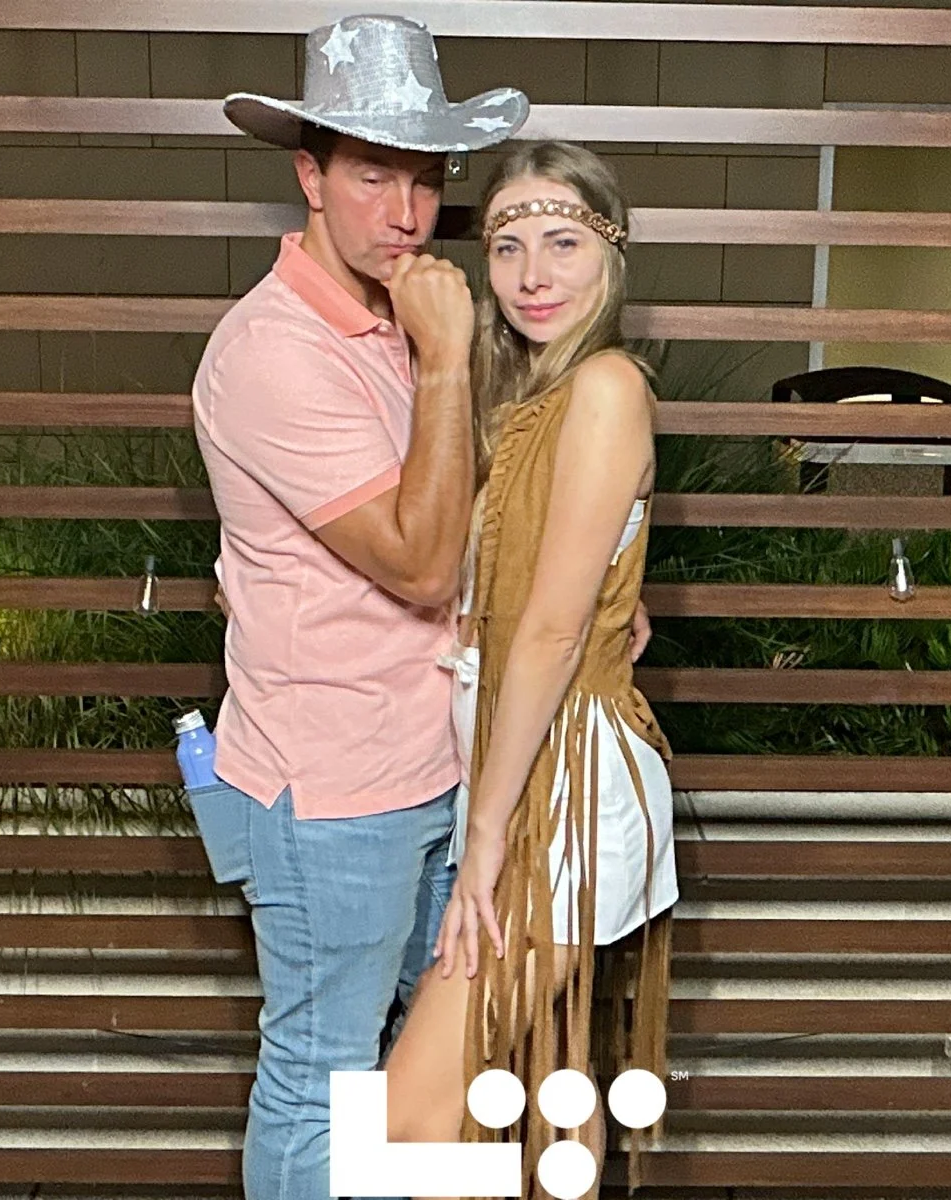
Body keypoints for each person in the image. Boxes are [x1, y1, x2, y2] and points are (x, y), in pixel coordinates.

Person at [184, 16, 529, 1200]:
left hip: (434, 763)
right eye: (373, 174)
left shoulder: (395, 320)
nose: (407, 213)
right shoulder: (275, 351)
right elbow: (421, 564)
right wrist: (447, 361)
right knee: (321, 1073)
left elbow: (475, 538)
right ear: (310, 177)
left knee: (412, 1071)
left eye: (426, 177)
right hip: (333, 792)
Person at [384, 142, 678, 1197]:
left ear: (612, 254)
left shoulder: (602, 384)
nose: (532, 274)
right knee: (547, 1083)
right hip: (524, 759)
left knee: (409, 1120)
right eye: (506, 247)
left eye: (562, 243)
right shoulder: (530, 397)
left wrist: (484, 840)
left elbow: (550, 636)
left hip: (565, 782)